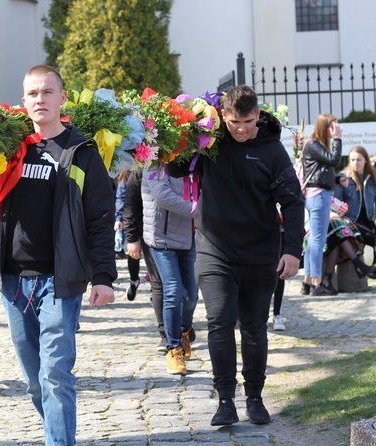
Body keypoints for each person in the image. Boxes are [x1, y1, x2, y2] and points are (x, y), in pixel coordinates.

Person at [0, 64, 117, 446]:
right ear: (23, 101)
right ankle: (55, 431)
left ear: (62, 97)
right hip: (12, 282)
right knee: (34, 381)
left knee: (55, 374)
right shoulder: (10, 148)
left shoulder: (82, 152)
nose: (40, 99)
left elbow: (100, 219)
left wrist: (104, 276)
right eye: (33, 93)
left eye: (47, 92)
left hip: (60, 281)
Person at [166, 85, 305, 426]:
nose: (241, 128)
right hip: (215, 251)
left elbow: (292, 202)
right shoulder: (210, 143)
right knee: (220, 322)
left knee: (254, 328)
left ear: (258, 115)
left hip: (260, 254)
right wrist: (181, 134)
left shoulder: (272, 151)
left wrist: (292, 251)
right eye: (233, 122)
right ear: (223, 116)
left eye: (247, 121)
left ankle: (255, 398)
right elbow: (173, 170)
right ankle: (225, 399)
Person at [142, 170, 198, 375]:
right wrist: (199, 210)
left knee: (191, 295)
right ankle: (173, 349)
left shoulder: (195, 162)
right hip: (162, 238)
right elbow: (162, 196)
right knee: (173, 291)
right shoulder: (155, 162)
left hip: (189, 237)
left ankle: (184, 332)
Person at [123, 167, 167, 352]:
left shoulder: (183, 165)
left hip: (183, 235)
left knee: (187, 290)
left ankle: (184, 326)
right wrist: (132, 238)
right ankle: (165, 333)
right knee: (159, 284)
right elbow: (130, 206)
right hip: (149, 235)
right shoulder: (140, 172)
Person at [300, 113, 343, 296]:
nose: (336, 129)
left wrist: (338, 180)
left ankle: (307, 282)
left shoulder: (315, 145)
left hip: (318, 195)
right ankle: (317, 284)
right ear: (325, 127)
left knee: (313, 242)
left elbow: (323, 171)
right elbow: (334, 160)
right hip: (318, 197)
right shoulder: (313, 144)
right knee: (318, 241)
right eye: (333, 126)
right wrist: (338, 139)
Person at [334, 145, 376, 260]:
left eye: (358, 159)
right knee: (373, 239)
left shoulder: (371, 178)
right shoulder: (344, 177)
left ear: (366, 161)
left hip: (368, 218)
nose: (355, 163)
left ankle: (373, 270)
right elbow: (337, 202)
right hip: (352, 220)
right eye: (352, 160)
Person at [114, 169, 141, 298]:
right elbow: (120, 198)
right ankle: (134, 280)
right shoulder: (126, 176)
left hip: (150, 223)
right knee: (133, 255)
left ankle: (156, 287)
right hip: (133, 221)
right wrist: (119, 218)